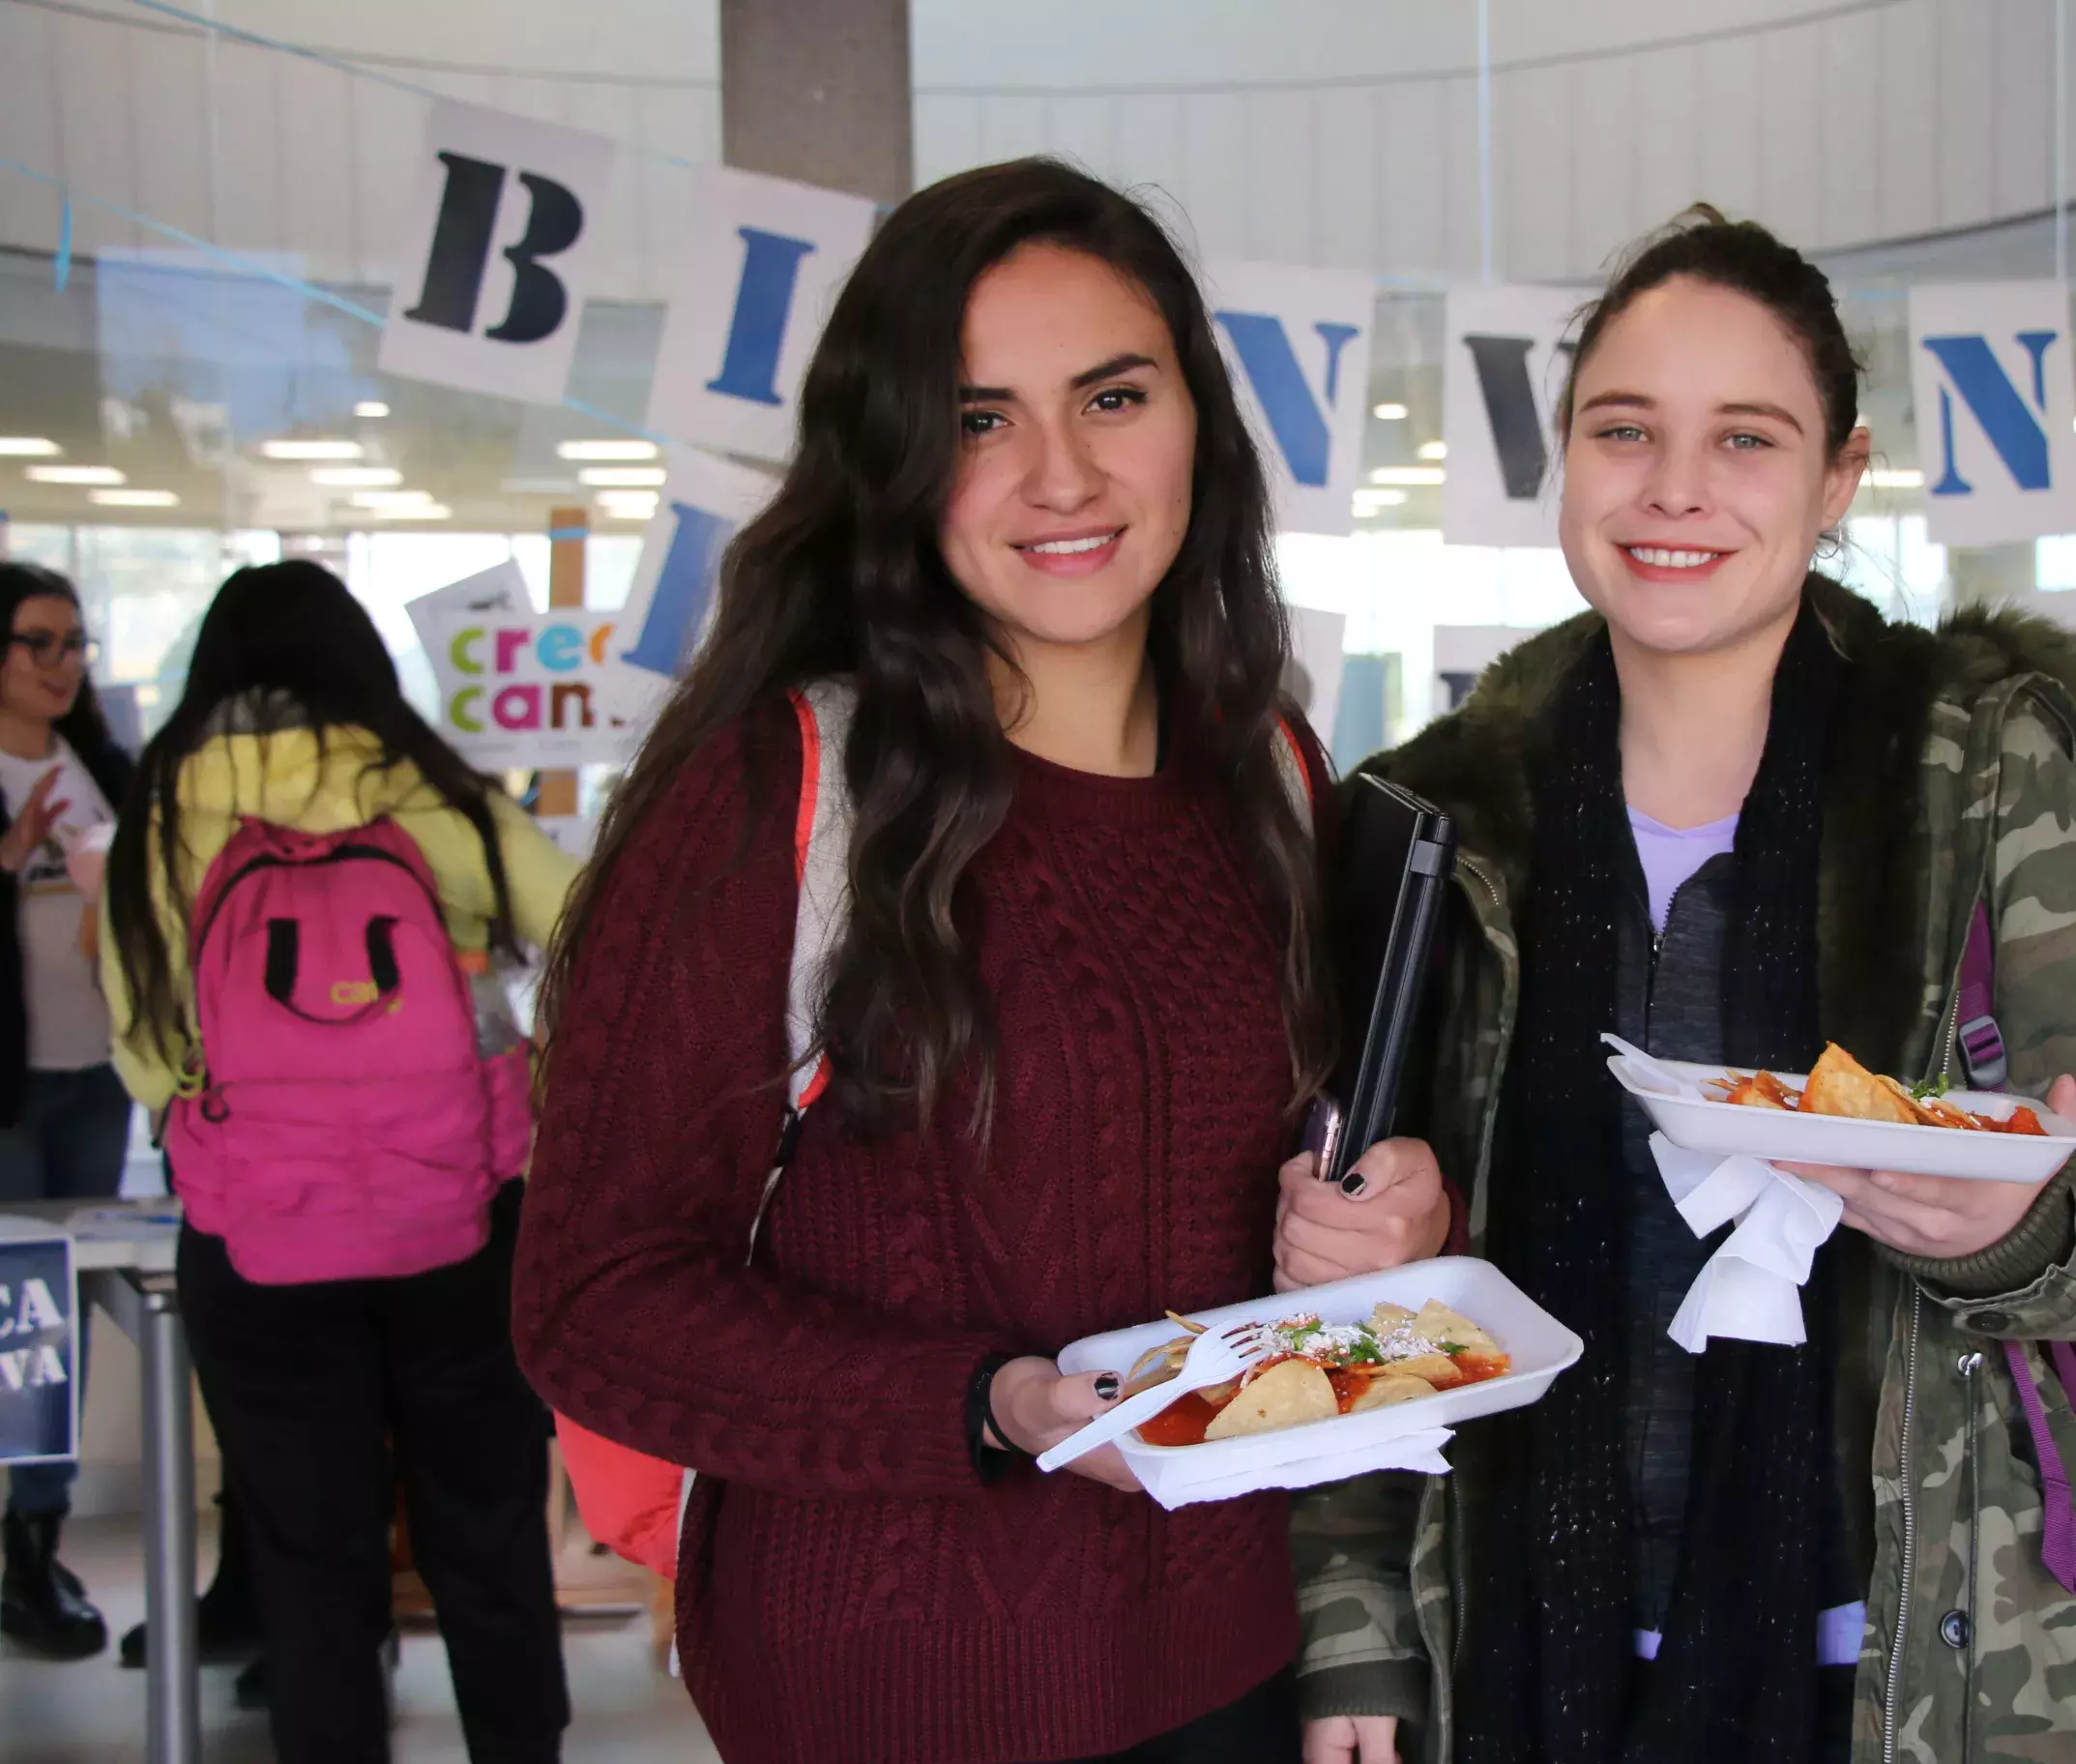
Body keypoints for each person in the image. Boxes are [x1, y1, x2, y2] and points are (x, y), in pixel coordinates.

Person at [512, 159, 1448, 1764]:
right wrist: (989, 1400)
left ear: (1196, 424)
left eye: (1112, 394)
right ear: (895, 455)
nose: (1062, 473)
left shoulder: (1273, 771)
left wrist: (1392, 1212)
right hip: (890, 1686)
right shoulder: (782, 795)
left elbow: (1280, 1183)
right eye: (978, 417)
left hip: (1229, 1657)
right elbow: (593, 1301)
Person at [1284, 210, 2076, 1764]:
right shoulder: (1434, 828)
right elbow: (1350, 1288)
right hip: (1510, 1635)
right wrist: (1353, 1641)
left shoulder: (1981, 780)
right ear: (1569, 461)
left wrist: (2028, 1229)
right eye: (1625, 431)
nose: (1675, 489)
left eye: (1746, 438)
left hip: (1911, 1659)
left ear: (1838, 479)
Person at [101, 560, 578, 1764]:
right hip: (463, 1221)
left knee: (310, 1560)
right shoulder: (437, 792)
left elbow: (144, 1046)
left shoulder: (163, 811)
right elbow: (586, 928)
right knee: (489, 1536)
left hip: (259, 1236)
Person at [0, 562, 132, 1660]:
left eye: (74, 642)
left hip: (97, 1072)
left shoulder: (105, 766)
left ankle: (34, 1539)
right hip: (10, 1086)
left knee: (60, 1320)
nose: (60, 665)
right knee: (20, 1314)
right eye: (36, 642)